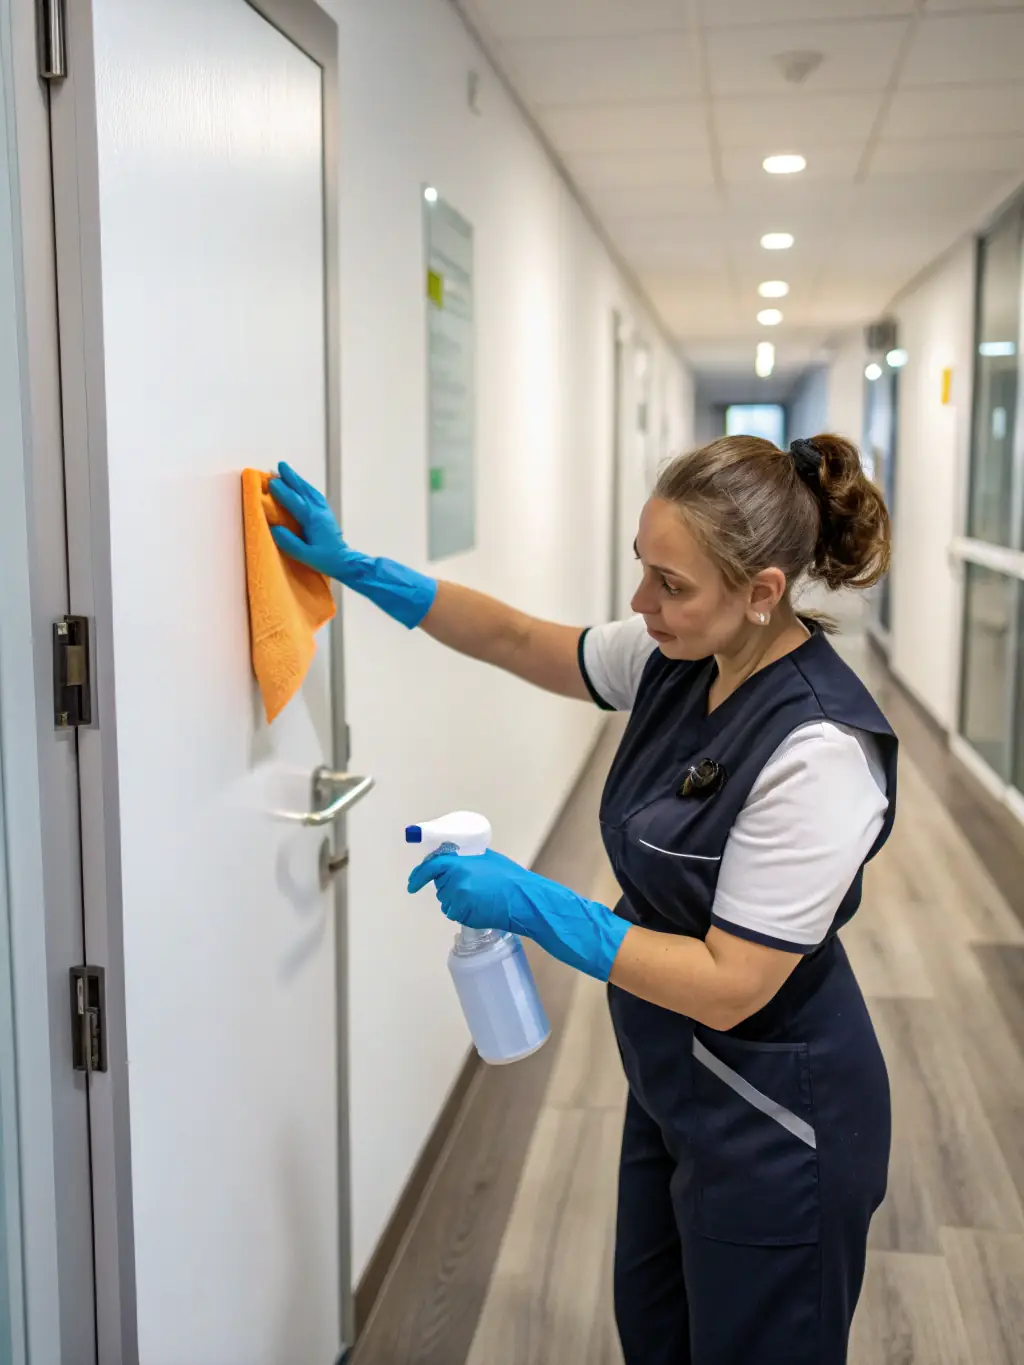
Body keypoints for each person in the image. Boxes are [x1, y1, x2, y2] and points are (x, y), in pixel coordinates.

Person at [269, 432, 897, 1365]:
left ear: (763, 592)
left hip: (781, 1116)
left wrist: (534, 904)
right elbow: (521, 639)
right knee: (654, 1330)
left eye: (672, 586)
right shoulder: (677, 658)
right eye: (643, 570)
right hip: (673, 1077)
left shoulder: (821, 751)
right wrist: (357, 568)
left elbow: (732, 982)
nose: (643, 605)